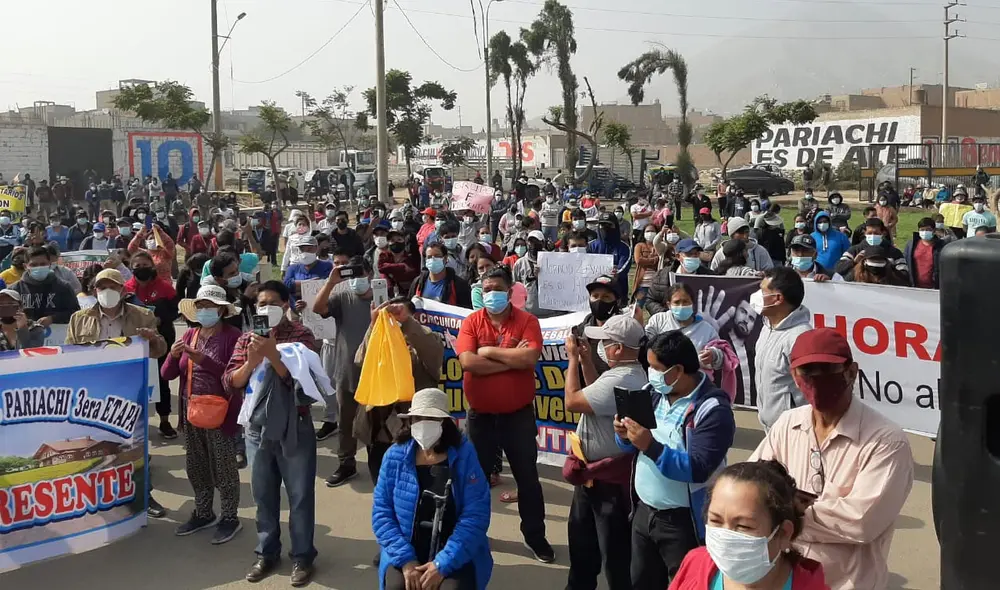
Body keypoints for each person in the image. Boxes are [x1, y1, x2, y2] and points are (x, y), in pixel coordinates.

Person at [750, 328, 914, 590]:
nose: (816, 380)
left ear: (851, 372)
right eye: (807, 371)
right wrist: (789, 507)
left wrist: (782, 510)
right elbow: (752, 484)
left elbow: (861, 522)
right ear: (794, 375)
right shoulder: (787, 424)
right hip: (784, 580)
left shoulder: (886, 441)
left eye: (826, 370)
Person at [613, 331, 736, 588]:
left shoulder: (713, 410)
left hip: (682, 524)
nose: (651, 375)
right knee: (641, 581)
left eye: (656, 368)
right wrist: (625, 436)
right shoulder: (652, 394)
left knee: (686, 584)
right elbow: (629, 447)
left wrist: (650, 446)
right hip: (644, 513)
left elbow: (698, 469)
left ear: (678, 370)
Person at [222, 281, 320, 586]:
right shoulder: (246, 340)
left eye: (273, 303)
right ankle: (267, 552)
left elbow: (303, 385)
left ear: (286, 304)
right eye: (261, 304)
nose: (266, 309)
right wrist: (254, 359)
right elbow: (232, 382)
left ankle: (302, 557)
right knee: (263, 495)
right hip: (257, 429)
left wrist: (273, 355)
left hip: (295, 427)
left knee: (300, 496)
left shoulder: (301, 336)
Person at [455, 266, 554, 563]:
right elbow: (468, 363)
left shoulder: (527, 321)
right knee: (475, 481)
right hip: (480, 418)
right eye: (486, 289)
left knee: (527, 479)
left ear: (510, 292)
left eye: (496, 288)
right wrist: (511, 362)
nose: (491, 294)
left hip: (518, 416)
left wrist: (488, 352)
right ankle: (472, 536)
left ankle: (535, 537)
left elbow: (530, 356)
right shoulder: (472, 322)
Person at [65, 268, 168, 516]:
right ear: (94, 291)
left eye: (113, 287)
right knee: (100, 447)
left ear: (124, 291)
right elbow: (68, 353)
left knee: (134, 446)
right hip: (92, 393)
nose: (107, 292)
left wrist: (152, 339)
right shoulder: (79, 318)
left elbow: (160, 350)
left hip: (129, 392)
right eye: (102, 287)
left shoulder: (142, 316)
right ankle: (102, 496)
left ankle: (143, 495)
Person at [373, 388, 493, 590]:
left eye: (431, 418)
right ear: (409, 422)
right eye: (418, 418)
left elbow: (476, 515)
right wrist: (405, 560)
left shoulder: (465, 455)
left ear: (444, 423)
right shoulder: (394, 456)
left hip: (454, 549)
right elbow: (382, 513)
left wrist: (442, 564)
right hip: (406, 549)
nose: (423, 424)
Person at [563, 315, 647, 590]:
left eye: (605, 342)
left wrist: (573, 360)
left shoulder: (623, 378)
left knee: (613, 559)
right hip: (595, 478)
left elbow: (573, 401)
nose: (601, 346)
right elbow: (595, 396)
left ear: (619, 349)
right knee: (585, 549)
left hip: (607, 485)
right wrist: (587, 361)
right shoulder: (621, 375)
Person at [162, 285, 243, 544]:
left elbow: (234, 377)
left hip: (221, 411)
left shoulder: (234, 336)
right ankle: (204, 511)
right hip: (193, 411)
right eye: (201, 307)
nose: (205, 311)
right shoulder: (189, 335)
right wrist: (172, 357)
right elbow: (167, 375)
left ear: (222, 310)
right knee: (196, 466)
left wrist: (203, 360)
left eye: (210, 307)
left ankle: (230, 516)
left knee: (224, 467)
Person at [669, 460, 830, 590]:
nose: (726, 538)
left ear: (783, 533)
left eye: (743, 526)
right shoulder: (695, 564)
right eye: (716, 521)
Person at [355, 298, 444, 485]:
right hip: (380, 434)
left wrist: (407, 322)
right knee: (383, 490)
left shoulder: (423, 346)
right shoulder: (378, 342)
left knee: (414, 490)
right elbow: (361, 361)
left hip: (416, 435)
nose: (394, 322)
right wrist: (374, 325)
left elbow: (433, 351)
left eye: (399, 317)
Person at [312, 255, 375, 486]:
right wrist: (331, 282)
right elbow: (319, 308)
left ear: (370, 273)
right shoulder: (342, 297)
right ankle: (346, 464)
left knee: (375, 424)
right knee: (345, 423)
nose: (358, 279)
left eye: (361, 273)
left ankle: (377, 465)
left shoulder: (381, 298)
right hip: (346, 371)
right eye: (353, 274)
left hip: (375, 373)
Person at [125, 250, 180, 439]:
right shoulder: (126, 290)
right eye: (137, 266)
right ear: (131, 269)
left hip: (160, 340)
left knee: (161, 381)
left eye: (145, 265)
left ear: (152, 266)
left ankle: (164, 421)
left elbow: (175, 310)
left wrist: (159, 320)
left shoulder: (165, 288)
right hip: (134, 343)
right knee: (135, 384)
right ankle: (136, 424)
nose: (142, 269)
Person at [752, 267, 812, 430]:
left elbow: (812, 390)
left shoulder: (801, 338)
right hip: (771, 428)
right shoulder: (767, 327)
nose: (756, 296)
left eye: (762, 291)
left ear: (777, 298)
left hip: (794, 431)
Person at [646, 283, 722, 355]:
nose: (681, 306)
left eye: (685, 301)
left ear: (693, 304)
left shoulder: (706, 329)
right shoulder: (658, 321)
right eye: (677, 302)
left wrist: (713, 355)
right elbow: (646, 345)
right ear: (669, 305)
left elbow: (721, 354)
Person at [13, 246, 79, 326]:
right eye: (34, 265)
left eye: (43, 264)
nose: (39, 267)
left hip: (57, 336)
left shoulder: (64, 287)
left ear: (50, 264)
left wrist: (53, 318)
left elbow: (75, 313)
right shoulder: (15, 290)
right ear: (25, 266)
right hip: (24, 335)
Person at [835, 218, 908, 280]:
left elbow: (904, 275)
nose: (872, 236)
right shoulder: (854, 250)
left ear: (883, 233)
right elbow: (839, 269)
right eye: (869, 233)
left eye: (876, 233)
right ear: (865, 233)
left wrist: (887, 266)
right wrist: (854, 262)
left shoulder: (894, 252)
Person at [410, 242, 473, 307]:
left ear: (445, 258)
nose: (433, 259)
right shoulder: (417, 283)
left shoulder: (459, 285)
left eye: (437, 256)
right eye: (429, 257)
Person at [587, 213, 632, 301]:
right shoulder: (591, 246)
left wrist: (616, 273)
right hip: (594, 294)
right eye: (602, 225)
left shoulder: (624, 248)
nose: (605, 227)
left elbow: (623, 269)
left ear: (616, 226)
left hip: (618, 294)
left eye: (609, 225)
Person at [904, 217, 944, 290]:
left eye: (928, 230)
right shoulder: (911, 245)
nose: (925, 232)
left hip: (934, 287)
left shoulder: (941, 246)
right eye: (922, 230)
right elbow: (906, 263)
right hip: (914, 287)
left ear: (934, 231)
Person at [843, 245, 909, 286]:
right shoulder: (854, 276)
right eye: (872, 260)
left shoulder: (894, 278)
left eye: (879, 261)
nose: (875, 264)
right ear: (864, 262)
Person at [632, 226, 660, 305]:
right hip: (642, 284)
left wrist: (647, 261)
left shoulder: (660, 246)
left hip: (656, 285)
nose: (650, 233)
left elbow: (662, 260)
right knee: (637, 307)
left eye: (652, 231)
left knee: (655, 307)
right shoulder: (639, 246)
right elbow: (639, 260)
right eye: (647, 231)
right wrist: (654, 260)